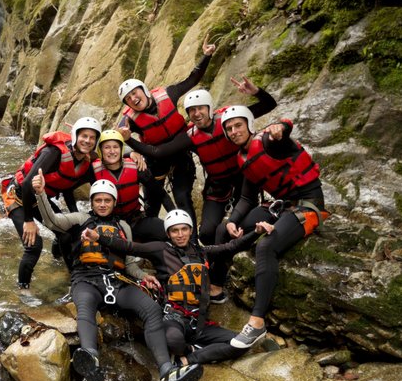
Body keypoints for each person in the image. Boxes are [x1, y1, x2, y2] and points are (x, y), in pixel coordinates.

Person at [32, 172, 203, 381]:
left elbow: (129, 263)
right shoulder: (80, 219)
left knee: (151, 309)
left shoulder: (123, 226)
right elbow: (52, 221)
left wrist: (144, 276)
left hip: (117, 282)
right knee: (85, 305)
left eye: (107, 200)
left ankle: (166, 370)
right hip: (86, 279)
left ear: (114, 202)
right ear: (92, 202)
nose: (102, 204)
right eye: (98, 200)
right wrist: (41, 194)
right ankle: (90, 356)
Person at [120, 76, 277, 302]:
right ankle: (207, 262)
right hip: (218, 186)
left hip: (245, 184)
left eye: (200, 108)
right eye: (191, 111)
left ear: (210, 108)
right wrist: (131, 146)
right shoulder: (191, 136)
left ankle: (216, 279)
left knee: (225, 230)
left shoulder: (230, 121)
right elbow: (159, 152)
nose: (196, 114)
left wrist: (256, 92)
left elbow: (269, 105)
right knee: (205, 233)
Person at [84, 209, 274, 366]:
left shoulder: (202, 252)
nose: (180, 234)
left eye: (184, 229)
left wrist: (256, 233)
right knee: (172, 340)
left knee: (240, 342)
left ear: (190, 231)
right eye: (175, 231)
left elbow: (232, 246)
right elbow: (129, 247)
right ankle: (193, 350)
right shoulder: (160, 249)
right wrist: (98, 237)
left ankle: (188, 358)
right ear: (168, 234)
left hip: (200, 322)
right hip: (175, 318)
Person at [217, 106, 329, 349]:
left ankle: (257, 322)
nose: (234, 131)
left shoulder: (270, 141)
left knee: (266, 247)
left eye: (238, 125)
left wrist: (282, 127)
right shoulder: (243, 158)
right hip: (282, 204)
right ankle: (217, 289)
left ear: (249, 125)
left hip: (308, 205)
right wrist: (233, 221)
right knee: (223, 229)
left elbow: (284, 130)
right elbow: (246, 198)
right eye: (229, 129)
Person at [116, 34, 216, 227]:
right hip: (155, 160)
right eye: (128, 98)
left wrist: (206, 56)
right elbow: (115, 140)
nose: (133, 99)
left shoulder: (168, 95)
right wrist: (132, 151)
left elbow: (192, 80)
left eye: (135, 93)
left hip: (180, 152)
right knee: (151, 206)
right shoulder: (129, 120)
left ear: (144, 90)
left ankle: (191, 239)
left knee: (182, 197)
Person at [1, 117, 101, 291]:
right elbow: (27, 184)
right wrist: (29, 221)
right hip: (18, 196)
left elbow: (67, 186)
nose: (88, 141)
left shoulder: (85, 161)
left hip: (40, 198)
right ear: (75, 136)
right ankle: (23, 290)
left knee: (67, 233)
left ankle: (64, 267)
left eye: (92, 138)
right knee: (34, 245)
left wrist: (74, 216)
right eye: (84, 136)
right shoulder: (54, 152)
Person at [92, 129, 167, 242]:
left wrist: (176, 218)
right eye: (107, 147)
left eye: (116, 147)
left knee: (167, 231)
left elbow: (160, 193)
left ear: (121, 149)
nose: (112, 151)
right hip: (108, 221)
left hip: (135, 219)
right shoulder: (92, 170)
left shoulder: (137, 166)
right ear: (100, 150)